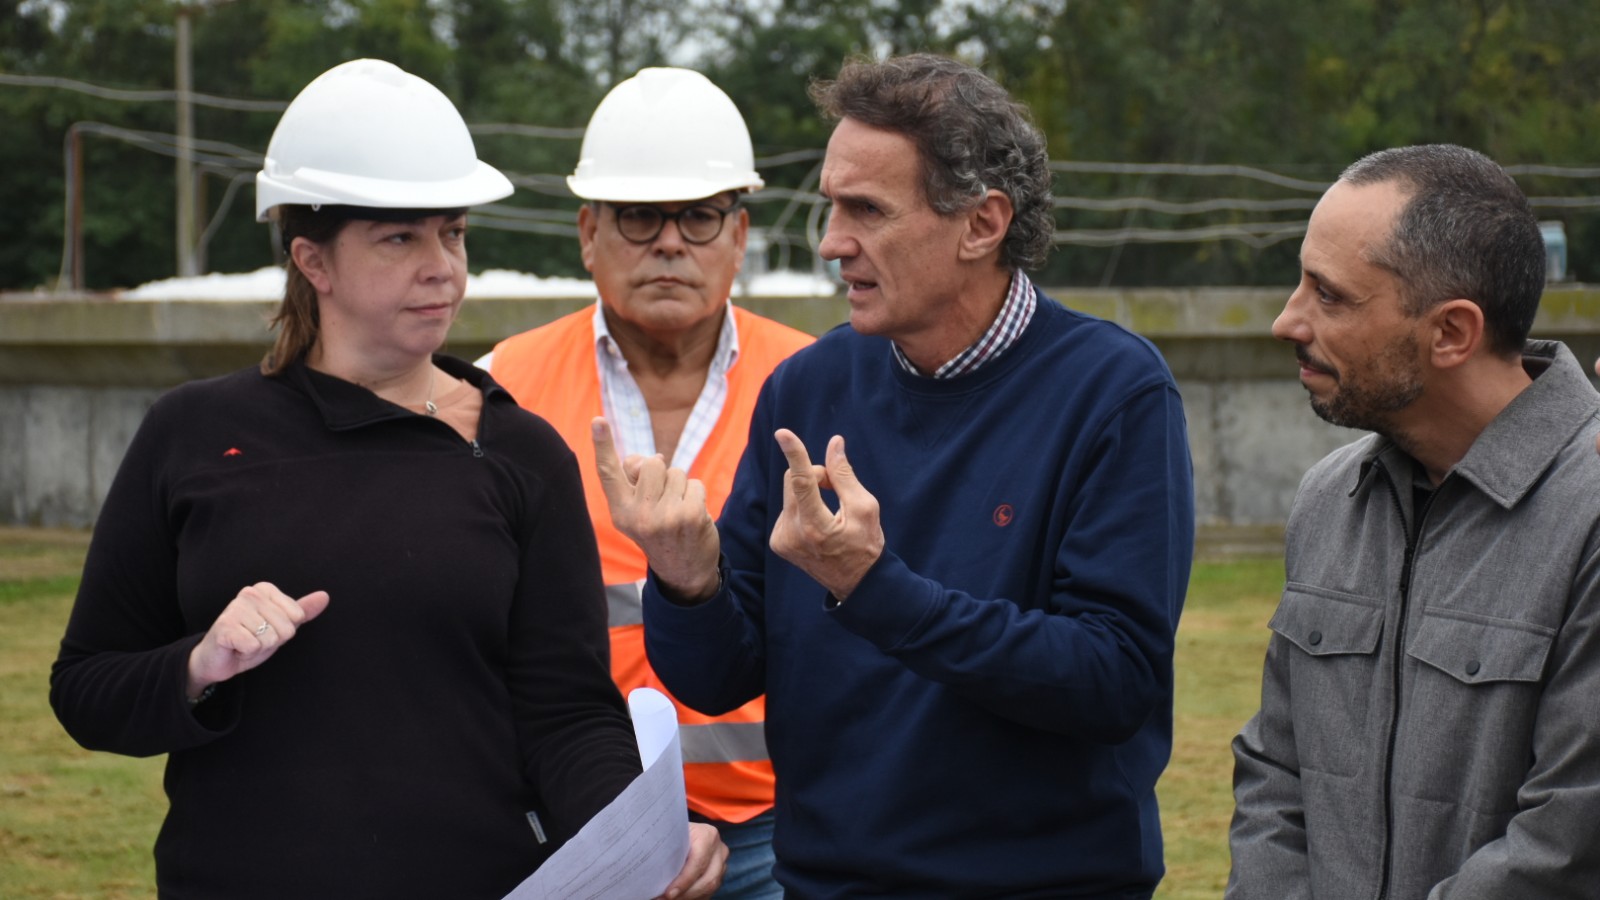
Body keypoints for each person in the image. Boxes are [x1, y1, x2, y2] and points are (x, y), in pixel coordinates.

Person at [48, 58, 723, 900]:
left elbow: (569, 716)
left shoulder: (522, 454)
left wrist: (644, 835)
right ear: (312, 260)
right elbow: (85, 688)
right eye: (401, 237)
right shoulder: (191, 434)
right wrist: (199, 665)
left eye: (454, 232)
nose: (442, 265)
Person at [593, 54, 1195, 897]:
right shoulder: (808, 387)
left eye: (866, 210)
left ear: (982, 224)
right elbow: (718, 678)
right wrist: (686, 581)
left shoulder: (1112, 393)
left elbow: (1112, 683)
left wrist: (875, 587)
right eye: (832, 205)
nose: (832, 241)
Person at [1228, 145, 1600, 898]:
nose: (1285, 320)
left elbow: (1567, 840)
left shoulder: (1588, 517)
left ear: (1452, 333)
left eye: (1330, 296)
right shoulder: (1329, 501)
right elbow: (1274, 776)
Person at [481, 67, 811, 899]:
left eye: (699, 217)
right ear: (588, 232)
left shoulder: (817, 385)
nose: (670, 242)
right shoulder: (498, 388)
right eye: (638, 216)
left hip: (783, 824)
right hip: (574, 821)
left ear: (739, 236)